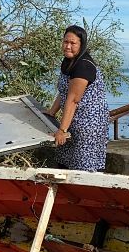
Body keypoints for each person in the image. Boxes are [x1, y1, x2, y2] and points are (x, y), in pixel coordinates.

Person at [46, 25, 109, 172]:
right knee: (65, 165)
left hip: (88, 125)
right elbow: (64, 92)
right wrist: (51, 112)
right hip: (72, 122)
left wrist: (62, 130)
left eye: (73, 43)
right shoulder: (69, 61)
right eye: (65, 42)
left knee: (84, 169)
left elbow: (73, 100)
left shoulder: (83, 66)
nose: (67, 46)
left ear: (81, 45)